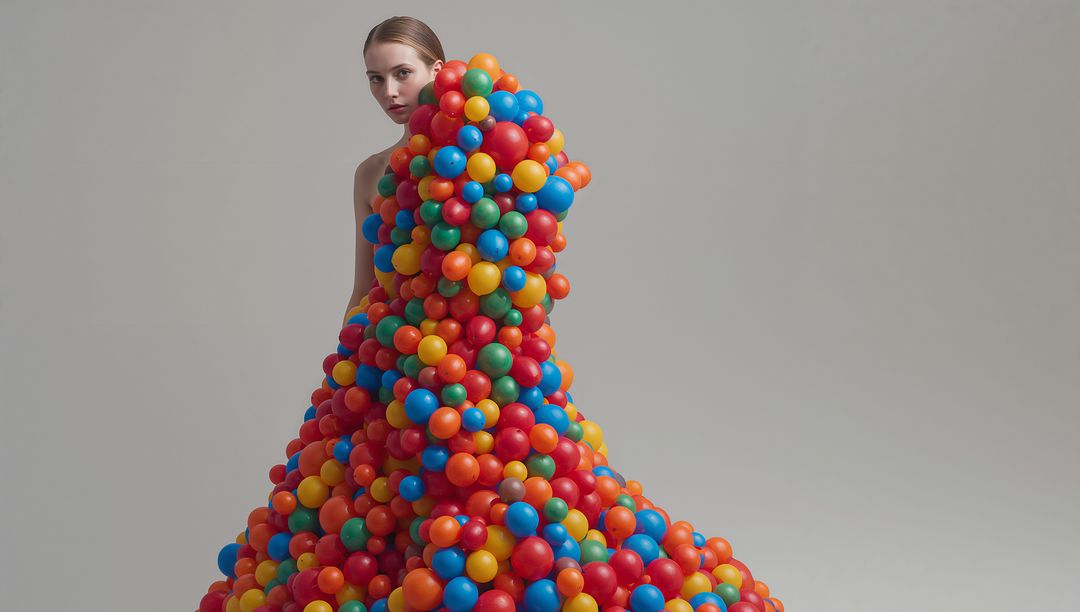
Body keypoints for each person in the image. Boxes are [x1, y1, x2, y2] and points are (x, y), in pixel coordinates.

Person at [343, 16, 445, 327]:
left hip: (477, 358)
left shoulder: (478, 161)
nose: (389, 91)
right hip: (394, 358)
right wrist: (344, 369)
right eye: (376, 78)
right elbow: (364, 288)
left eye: (402, 73)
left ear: (436, 71)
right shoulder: (370, 173)